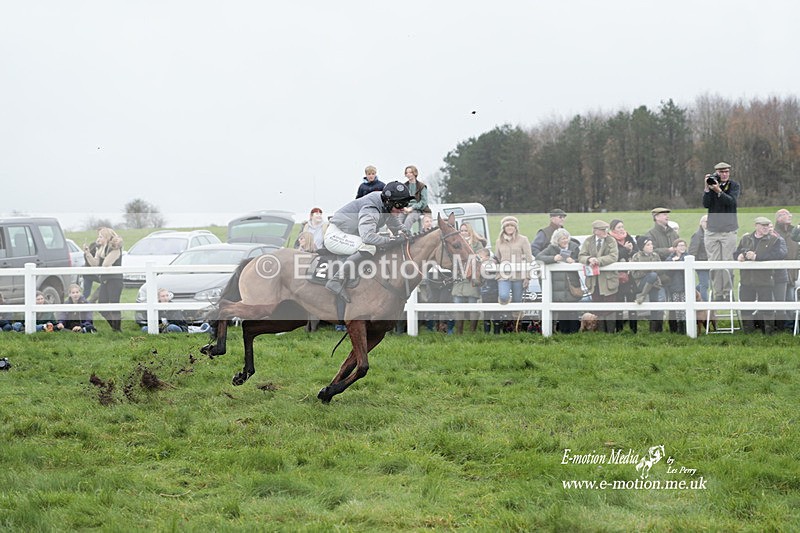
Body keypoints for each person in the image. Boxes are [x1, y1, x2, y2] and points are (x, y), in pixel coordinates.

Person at [323, 181, 412, 302]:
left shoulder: (385, 204)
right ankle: (336, 280)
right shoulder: (371, 208)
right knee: (370, 247)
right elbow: (368, 237)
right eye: (399, 205)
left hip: (349, 234)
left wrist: (407, 233)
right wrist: (392, 240)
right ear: (388, 202)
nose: (402, 209)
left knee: (378, 244)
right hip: (335, 236)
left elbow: (396, 226)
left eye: (405, 204)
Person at [734, 216, 786, 334]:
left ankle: (769, 332)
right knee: (746, 306)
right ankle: (748, 332)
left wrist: (757, 258)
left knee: (767, 308)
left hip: (765, 280)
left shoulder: (774, 240)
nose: (766, 228)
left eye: (767, 226)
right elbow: (737, 252)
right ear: (756, 226)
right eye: (763, 226)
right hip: (746, 280)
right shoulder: (746, 238)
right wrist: (740, 256)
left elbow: (777, 255)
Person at [703, 161, 740, 300]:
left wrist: (719, 191)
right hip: (712, 230)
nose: (724, 174)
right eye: (721, 172)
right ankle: (718, 293)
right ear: (716, 173)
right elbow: (706, 204)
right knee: (714, 264)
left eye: (726, 172)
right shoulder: (711, 186)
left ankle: (727, 292)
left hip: (728, 230)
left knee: (727, 262)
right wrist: (707, 188)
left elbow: (731, 202)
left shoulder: (734, 186)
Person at [537, 228, 581, 334]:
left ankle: (575, 333)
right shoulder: (552, 248)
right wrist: (553, 258)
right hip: (558, 284)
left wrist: (574, 261)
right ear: (557, 240)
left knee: (573, 309)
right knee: (562, 309)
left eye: (566, 238)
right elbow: (539, 257)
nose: (565, 241)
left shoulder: (574, 248)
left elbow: (581, 259)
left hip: (571, 282)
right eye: (562, 239)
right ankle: (563, 332)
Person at [579, 220, 619, 332]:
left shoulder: (611, 240)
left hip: (608, 280)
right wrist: (589, 259)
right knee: (597, 307)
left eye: (605, 229)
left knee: (610, 307)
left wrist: (598, 260)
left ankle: (611, 332)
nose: (605, 232)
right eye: (602, 230)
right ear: (595, 231)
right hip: (594, 281)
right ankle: (600, 332)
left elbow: (613, 256)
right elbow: (581, 256)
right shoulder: (588, 241)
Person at [83, 227, 124, 332]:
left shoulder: (115, 248)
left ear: (106, 237)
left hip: (115, 280)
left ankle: (117, 329)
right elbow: (95, 264)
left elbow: (106, 264)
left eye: (100, 236)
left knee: (114, 304)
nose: (98, 239)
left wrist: (100, 252)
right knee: (102, 307)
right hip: (105, 280)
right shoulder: (101, 249)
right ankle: (115, 328)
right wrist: (88, 253)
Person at [451, 222, 486, 334]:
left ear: (470, 231)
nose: (464, 232)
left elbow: (480, 258)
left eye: (466, 230)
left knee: (472, 305)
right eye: (462, 230)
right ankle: (459, 332)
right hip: (459, 279)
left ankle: (472, 332)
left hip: (472, 279)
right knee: (458, 304)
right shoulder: (456, 244)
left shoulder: (477, 244)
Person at [494, 216, 533, 306]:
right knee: (503, 296)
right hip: (503, 275)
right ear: (504, 228)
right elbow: (497, 258)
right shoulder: (499, 242)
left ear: (515, 227)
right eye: (507, 226)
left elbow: (529, 259)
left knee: (517, 301)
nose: (510, 227)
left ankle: (515, 318)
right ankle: (505, 314)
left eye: (512, 225)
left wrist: (527, 277)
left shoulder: (523, 240)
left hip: (518, 275)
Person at [609, 219, 639, 333]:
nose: (621, 229)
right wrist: (625, 250)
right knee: (619, 302)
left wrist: (631, 250)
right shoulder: (610, 240)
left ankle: (634, 329)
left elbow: (637, 251)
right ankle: (619, 329)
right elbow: (613, 255)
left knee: (632, 301)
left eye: (622, 226)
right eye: (618, 227)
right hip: (617, 276)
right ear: (613, 229)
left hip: (630, 276)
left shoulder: (629, 238)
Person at [631, 238, 666, 332]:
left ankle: (655, 330)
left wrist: (651, 272)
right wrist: (648, 272)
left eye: (651, 244)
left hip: (654, 283)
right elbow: (634, 274)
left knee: (655, 303)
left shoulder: (655, 255)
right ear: (642, 247)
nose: (651, 246)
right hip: (642, 283)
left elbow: (661, 269)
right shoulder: (636, 256)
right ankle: (642, 295)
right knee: (652, 275)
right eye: (648, 245)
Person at [773, 209, 799, 331]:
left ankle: (791, 326)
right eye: (785, 214)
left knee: (790, 299)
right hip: (777, 273)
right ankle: (779, 326)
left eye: (789, 213)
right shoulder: (773, 233)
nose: (789, 215)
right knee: (779, 299)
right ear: (778, 218)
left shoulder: (796, 232)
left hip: (793, 272)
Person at [665, 239, 689, 334]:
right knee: (677, 309)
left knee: (684, 308)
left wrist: (678, 261)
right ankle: (680, 327)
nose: (682, 247)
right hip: (674, 287)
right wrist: (672, 261)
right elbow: (667, 271)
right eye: (680, 245)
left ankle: (686, 327)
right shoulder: (670, 258)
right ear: (675, 248)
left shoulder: (687, 257)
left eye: (683, 245)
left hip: (685, 287)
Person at [400, 165, 431, 232]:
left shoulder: (422, 186)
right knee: (398, 219)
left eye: (410, 172)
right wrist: (404, 207)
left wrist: (412, 208)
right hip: (405, 209)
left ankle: (405, 236)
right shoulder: (404, 186)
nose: (408, 174)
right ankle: (396, 237)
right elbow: (401, 199)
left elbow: (424, 202)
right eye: (406, 173)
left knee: (409, 220)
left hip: (418, 209)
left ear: (415, 173)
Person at [688, 215, 710, 301]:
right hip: (701, 263)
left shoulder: (711, 235)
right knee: (704, 285)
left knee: (703, 284)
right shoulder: (697, 235)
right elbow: (692, 251)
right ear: (701, 223)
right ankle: (704, 304)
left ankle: (693, 292)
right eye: (706, 222)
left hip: (709, 264)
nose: (708, 224)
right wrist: (696, 263)